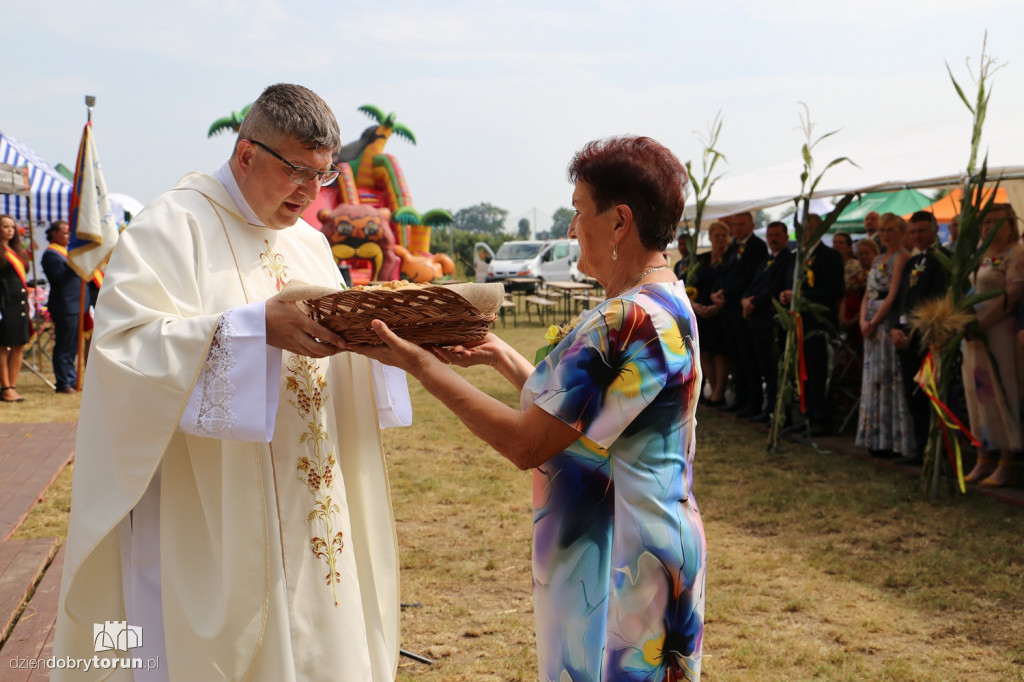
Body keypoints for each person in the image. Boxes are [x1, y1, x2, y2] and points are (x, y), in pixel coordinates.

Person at [53, 84, 409, 681]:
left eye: (321, 175)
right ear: (246, 154)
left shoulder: (311, 241)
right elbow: (123, 350)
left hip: (309, 486)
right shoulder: (172, 225)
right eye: (296, 171)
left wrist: (378, 336)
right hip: (213, 496)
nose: (309, 192)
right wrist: (250, 331)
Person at [346, 135, 706, 680]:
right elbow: (592, 412)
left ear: (620, 221)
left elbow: (527, 442)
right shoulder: (667, 301)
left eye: (579, 211)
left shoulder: (623, 321)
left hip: (618, 559)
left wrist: (422, 366)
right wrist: (502, 358)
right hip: (656, 545)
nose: (571, 228)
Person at [960, 203, 1024, 487]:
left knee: (1001, 393)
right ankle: (982, 456)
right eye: (985, 223)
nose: (989, 228)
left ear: (1011, 224)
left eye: (996, 222)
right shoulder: (980, 255)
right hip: (974, 336)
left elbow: (1013, 295)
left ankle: (1006, 460)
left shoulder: (1017, 253)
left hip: (1000, 332)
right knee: (976, 394)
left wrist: (982, 323)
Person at [888, 211, 950, 465]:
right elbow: (899, 300)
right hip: (905, 339)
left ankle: (938, 452)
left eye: (921, 231)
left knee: (933, 396)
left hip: (928, 338)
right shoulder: (912, 262)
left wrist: (918, 331)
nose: (916, 236)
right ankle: (920, 447)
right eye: (912, 232)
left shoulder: (945, 260)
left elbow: (939, 300)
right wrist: (893, 327)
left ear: (935, 229)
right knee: (913, 396)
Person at [779, 214, 844, 436]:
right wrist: (787, 296)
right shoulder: (796, 256)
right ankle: (806, 416)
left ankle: (820, 419)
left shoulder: (829, 256)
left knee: (817, 372)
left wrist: (802, 295)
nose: (804, 233)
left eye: (809, 228)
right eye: (801, 229)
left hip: (818, 324)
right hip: (797, 323)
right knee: (801, 373)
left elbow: (835, 290)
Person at [855, 212, 914, 458]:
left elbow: (892, 294)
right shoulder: (879, 256)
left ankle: (894, 439)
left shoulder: (902, 257)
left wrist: (875, 321)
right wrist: (862, 321)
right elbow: (868, 292)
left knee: (889, 377)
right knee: (873, 377)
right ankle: (874, 435)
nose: (886, 234)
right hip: (870, 321)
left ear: (901, 232)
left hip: (884, 320)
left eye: (891, 230)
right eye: (883, 230)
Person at [712, 211, 768, 416]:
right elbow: (723, 274)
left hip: (741, 309)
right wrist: (715, 293)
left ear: (752, 226)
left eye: (741, 224)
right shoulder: (733, 247)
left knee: (747, 356)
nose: (736, 228)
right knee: (735, 356)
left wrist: (725, 293)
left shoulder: (757, 247)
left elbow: (748, 277)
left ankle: (753, 402)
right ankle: (740, 397)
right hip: (727, 308)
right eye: (734, 225)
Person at [741, 220, 794, 422]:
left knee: (775, 368)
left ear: (786, 237)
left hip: (772, 320)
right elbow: (753, 283)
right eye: (770, 235)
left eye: (777, 235)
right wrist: (745, 299)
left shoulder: (788, 260)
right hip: (756, 321)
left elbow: (775, 286)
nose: (773, 239)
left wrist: (754, 302)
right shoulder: (765, 260)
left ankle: (780, 411)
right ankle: (768, 407)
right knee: (764, 367)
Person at [691, 221, 730, 406]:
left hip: (719, 311)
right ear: (710, 238)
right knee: (704, 350)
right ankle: (713, 390)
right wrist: (694, 304)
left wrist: (716, 307)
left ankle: (719, 392)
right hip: (701, 309)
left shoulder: (731, 258)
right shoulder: (702, 259)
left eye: (724, 236)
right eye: (717, 236)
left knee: (720, 351)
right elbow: (690, 282)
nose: (720, 239)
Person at [41, 221, 82, 394]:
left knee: (72, 346)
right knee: (64, 346)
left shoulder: (65, 252)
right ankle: (63, 382)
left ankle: (72, 380)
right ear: (54, 234)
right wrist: (74, 263)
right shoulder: (51, 254)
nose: (68, 236)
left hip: (76, 304)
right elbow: (59, 278)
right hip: (65, 305)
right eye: (65, 233)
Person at [0, 214, 30, 403]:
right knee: (3, 345)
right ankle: (5, 387)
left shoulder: (16, 250)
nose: (9, 230)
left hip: (19, 302)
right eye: (5, 226)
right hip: (4, 301)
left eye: (12, 226)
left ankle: (13, 385)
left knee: (19, 344)